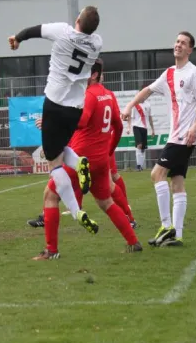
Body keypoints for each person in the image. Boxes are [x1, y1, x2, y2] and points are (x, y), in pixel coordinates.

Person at [32, 59, 141, 260]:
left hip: (81, 158)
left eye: (84, 72)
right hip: (100, 159)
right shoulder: (108, 95)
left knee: (50, 195)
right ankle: (133, 242)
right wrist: (109, 151)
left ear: (93, 74)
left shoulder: (89, 95)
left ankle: (51, 250)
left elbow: (81, 122)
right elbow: (117, 126)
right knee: (106, 202)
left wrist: (52, 122)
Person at [8, 6, 102, 234]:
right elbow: (88, 32)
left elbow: (34, 30)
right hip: (75, 108)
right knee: (60, 149)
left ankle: (76, 210)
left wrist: (17, 38)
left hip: (55, 102)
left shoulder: (62, 31)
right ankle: (78, 165)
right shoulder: (97, 43)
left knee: (53, 163)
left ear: (78, 18)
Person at [122, 31, 196, 247]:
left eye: (183, 43)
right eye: (177, 41)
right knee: (177, 182)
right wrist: (130, 105)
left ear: (190, 49)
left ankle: (166, 225)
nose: (178, 45)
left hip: (183, 136)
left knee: (156, 174)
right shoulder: (169, 73)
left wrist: (194, 127)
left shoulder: (194, 74)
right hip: (177, 135)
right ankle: (177, 235)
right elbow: (148, 90)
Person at [127, 97, 155, 171]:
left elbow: (150, 118)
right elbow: (130, 116)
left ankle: (141, 166)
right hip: (136, 126)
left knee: (143, 148)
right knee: (139, 145)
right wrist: (128, 128)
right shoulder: (135, 104)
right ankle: (138, 165)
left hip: (144, 128)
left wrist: (153, 129)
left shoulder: (148, 105)